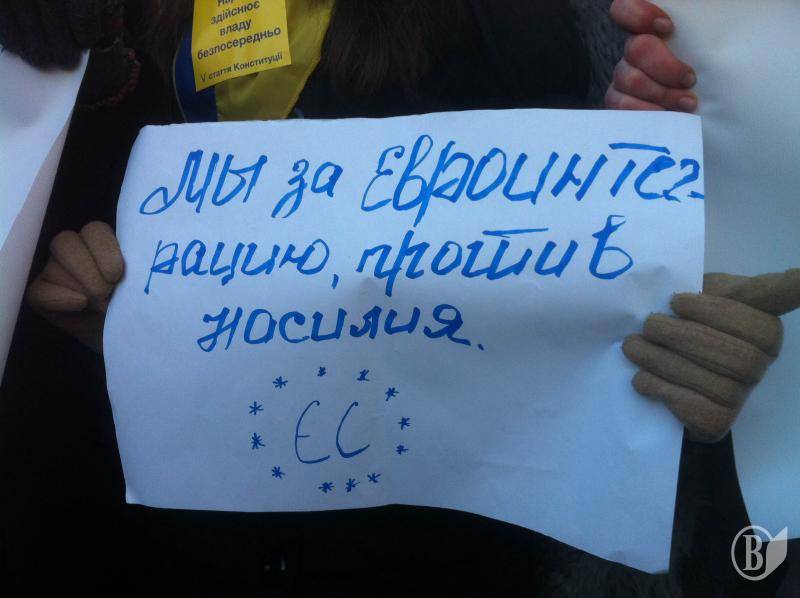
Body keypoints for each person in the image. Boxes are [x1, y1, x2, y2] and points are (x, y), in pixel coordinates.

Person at [2, 0, 797, 594]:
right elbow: (57, 256)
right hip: (154, 530)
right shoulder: (83, 24)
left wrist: (666, 267)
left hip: (448, 546)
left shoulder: (534, 24)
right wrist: (97, 315)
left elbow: (574, 284)